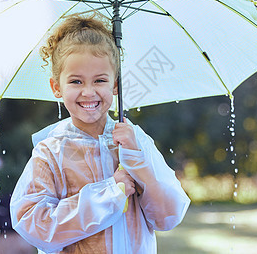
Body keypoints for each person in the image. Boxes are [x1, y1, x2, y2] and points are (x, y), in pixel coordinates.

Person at [10, 14, 190, 254]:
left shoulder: (135, 141)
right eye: (75, 81)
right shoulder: (50, 153)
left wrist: (138, 162)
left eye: (100, 80)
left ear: (115, 85)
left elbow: (168, 217)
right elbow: (35, 226)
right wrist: (109, 193)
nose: (88, 92)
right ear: (57, 87)